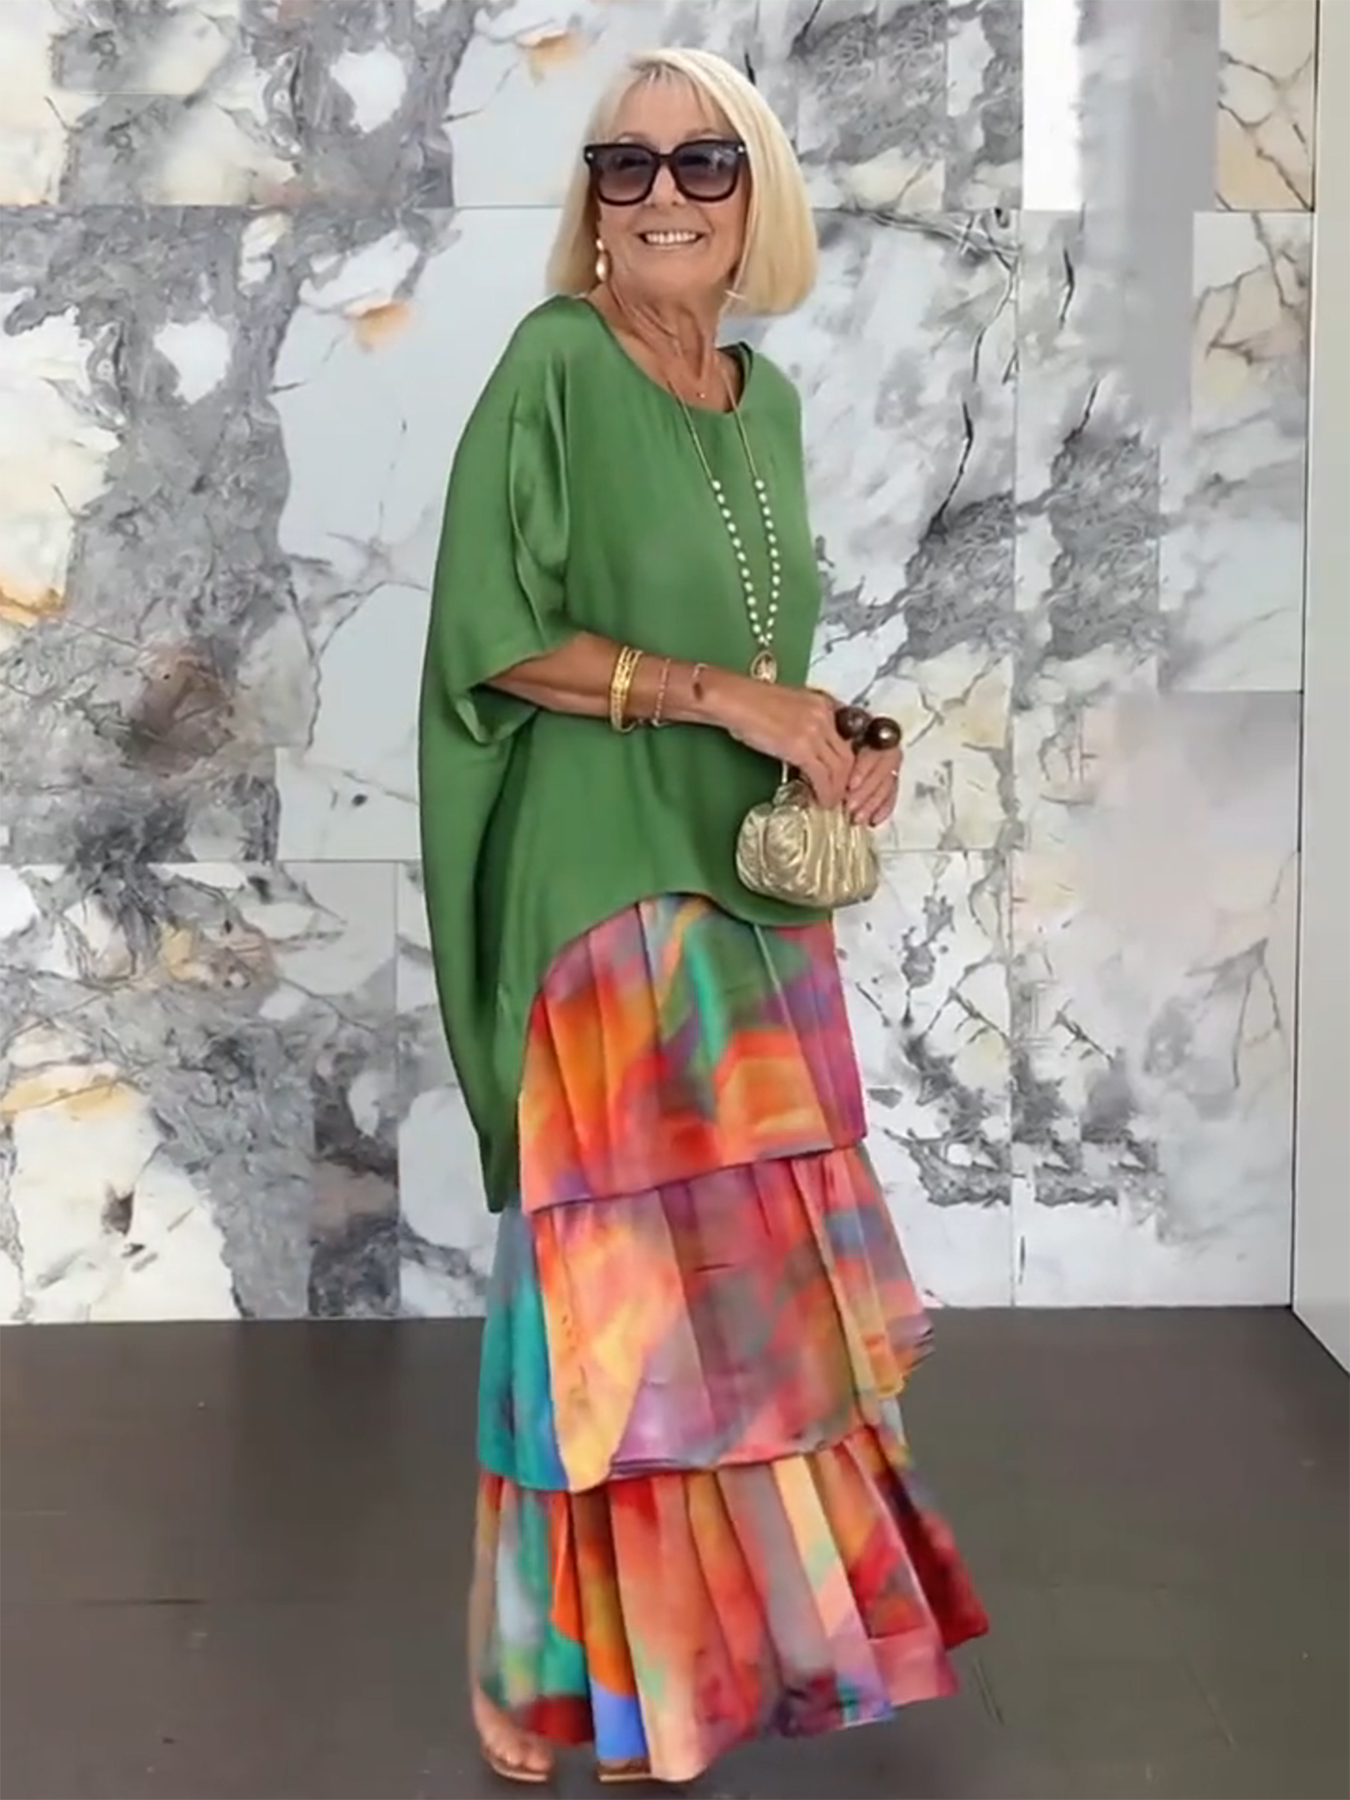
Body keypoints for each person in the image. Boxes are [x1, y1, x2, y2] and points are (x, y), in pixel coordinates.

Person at [418, 45, 988, 1787]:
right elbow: (493, 635)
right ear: (592, 200)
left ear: (757, 196)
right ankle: (549, 1675)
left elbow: (756, 653)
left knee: (747, 1308)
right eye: (626, 163)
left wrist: (830, 734)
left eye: (702, 163)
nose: (661, 193)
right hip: (606, 894)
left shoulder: (767, 398)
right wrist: (728, 700)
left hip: (744, 899)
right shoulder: (556, 361)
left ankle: (707, 1661)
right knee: (607, 1310)